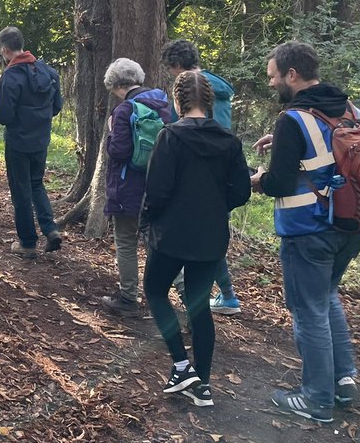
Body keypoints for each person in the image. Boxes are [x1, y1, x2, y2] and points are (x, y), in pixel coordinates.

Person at [248, 41, 360, 423]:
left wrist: (258, 179)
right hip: (351, 226)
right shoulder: (348, 108)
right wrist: (280, 143)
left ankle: (316, 398)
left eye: (273, 76)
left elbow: (281, 182)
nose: (271, 83)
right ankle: (343, 378)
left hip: (309, 231)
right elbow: (331, 158)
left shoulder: (293, 118)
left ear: (291, 74)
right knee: (327, 296)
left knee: (308, 309)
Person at [143, 71, 252, 407]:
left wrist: (148, 220)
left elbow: (157, 191)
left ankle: (180, 365)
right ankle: (202, 384)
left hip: (171, 235)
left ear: (177, 102)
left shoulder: (170, 137)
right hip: (209, 236)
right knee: (199, 305)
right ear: (210, 101)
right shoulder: (229, 141)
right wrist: (215, 206)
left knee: (155, 291)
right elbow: (242, 191)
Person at [162, 39, 242, 315]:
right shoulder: (215, 87)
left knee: (190, 238)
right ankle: (227, 295)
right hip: (222, 168)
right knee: (212, 233)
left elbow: (178, 126)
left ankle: (198, 303)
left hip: (193, 171)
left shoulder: (187, 90)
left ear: (175, 66)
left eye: (170, 69)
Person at [101, 57, 172, 315]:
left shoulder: (124, 110)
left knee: (126, 241)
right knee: (161, 244)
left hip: (128, 187)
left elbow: (118, 152)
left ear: (116, 85)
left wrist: (111, 133)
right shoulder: (163, 104)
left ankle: (129, 298)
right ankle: (188, 301)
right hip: (159, 186)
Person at [0, 26, 64, 258]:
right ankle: (50, 228)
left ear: (5, 49)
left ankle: (27, 242)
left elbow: (4, 115)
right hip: (41, 139)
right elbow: (57, 106)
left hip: (17, 141)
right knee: (36, 184)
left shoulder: (11, 76)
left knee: (20, 190)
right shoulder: (48, 72)